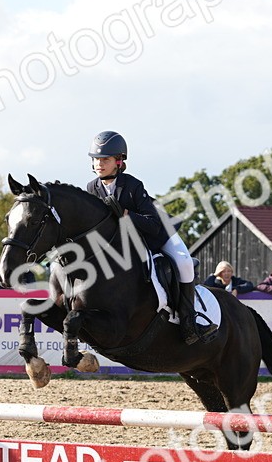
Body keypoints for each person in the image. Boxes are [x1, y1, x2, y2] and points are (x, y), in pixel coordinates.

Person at [84, 130, 215, 345]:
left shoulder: (133, 185)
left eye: (105, 159)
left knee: (184, 263)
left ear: (118, 161)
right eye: (96, 159)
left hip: (160, 232)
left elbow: (153, 224)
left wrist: (126, 215)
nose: (99, 164)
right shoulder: (92, 188)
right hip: (127, 241)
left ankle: (189, 321)